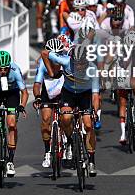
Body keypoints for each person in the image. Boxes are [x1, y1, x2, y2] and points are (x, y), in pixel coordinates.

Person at [41, 18, 100, 177]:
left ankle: (92, 160)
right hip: (68, 93)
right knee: (65, 119)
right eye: (76, 63)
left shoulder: (92, 69)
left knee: (88, 125)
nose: (79, 66)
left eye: (82, 63)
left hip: (85, 95)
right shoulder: (65, 61)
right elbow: (45, 53)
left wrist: (95, 112)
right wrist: (52, 73)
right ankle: (69, 141)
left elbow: (95, 95)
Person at [98, 4, 135, 144]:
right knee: (123, 101)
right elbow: (108, 59)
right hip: (121, 71)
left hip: (134, 70)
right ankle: (123, 134)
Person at [33, 38, 66, 168]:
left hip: (64, 90)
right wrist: (37, 97)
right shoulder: (42, 64)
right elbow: (37, 85)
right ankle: (47, 152)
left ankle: (67, 141)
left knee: (66, 116)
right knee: (46, 119)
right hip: (48, 91)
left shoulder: (65, 61)